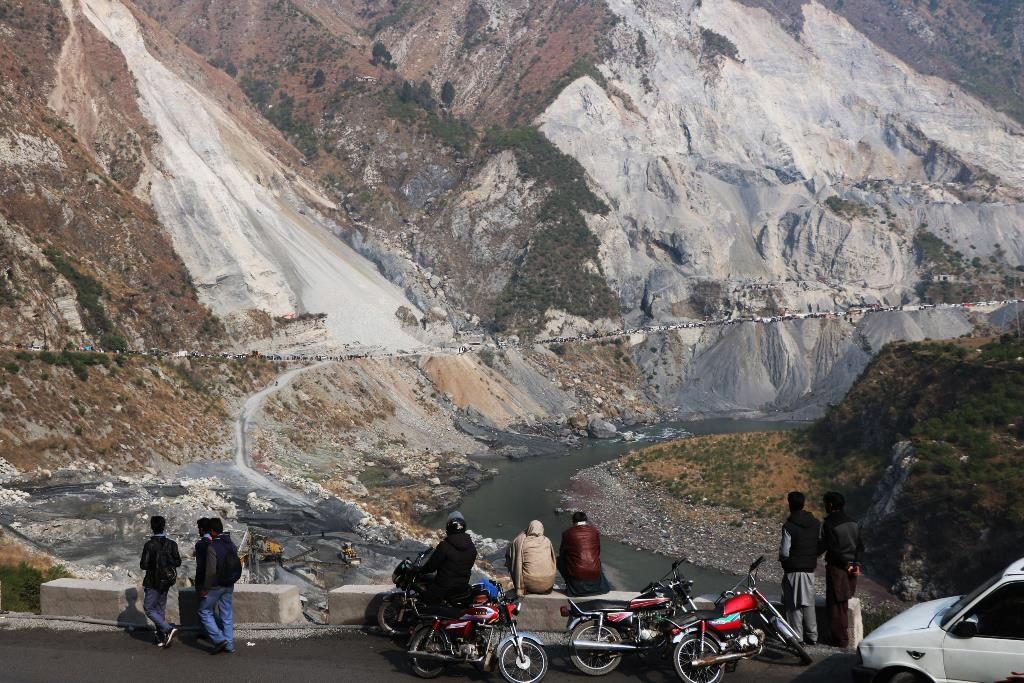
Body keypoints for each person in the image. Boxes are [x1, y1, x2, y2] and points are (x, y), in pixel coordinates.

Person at [819, 491, 864, 648]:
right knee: (844, 601)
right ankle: (841, 638)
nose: (824, 505)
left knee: (836, 605)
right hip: (852, 570)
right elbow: (860, 546)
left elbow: (832, 549)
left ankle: (840, 640)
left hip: (838, 569)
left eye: (825, 503)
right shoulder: (853, 522)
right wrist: (855, 565)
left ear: (830, 505)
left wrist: (846, 565)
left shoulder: (829, 524)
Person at [778, 491, 820, 645]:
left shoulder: (789, 526)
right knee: (808, 603)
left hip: (793, 570)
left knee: (794, 606)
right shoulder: (815, 523)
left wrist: (785, 561)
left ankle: (797, 638)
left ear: (790, 505)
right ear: (803, 504)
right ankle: (813, 636)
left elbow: (784, 552)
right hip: (809, 569)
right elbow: (819, 544)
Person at [196, 518, 242, 654]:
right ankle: (229, 645)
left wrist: (205, 588)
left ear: (211, 531)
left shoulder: (212, 547)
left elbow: (210, 571)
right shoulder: (231, 544)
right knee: (226, 614)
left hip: (216, 586)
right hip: (229, 583)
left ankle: (219, 639)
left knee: (204, 611)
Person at [419, 511, 478, 606]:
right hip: (462, 587)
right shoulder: (472, 548)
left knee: (424, 603)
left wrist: (419, 570)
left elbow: (431, 567)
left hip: (443, 587)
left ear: (448, 527)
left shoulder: (444, 546)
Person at [140, 515, 181, 648]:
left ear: (152, 527)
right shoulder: (172, 544)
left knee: (148, 608)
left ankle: (168, 629)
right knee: (160, 608)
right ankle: (161, 637)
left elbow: (143, 565)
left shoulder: (149, 545)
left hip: (153, 581)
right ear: (164, 526)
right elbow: (178, 562)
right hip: (167, 580)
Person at [558, 511, 609, 596]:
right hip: (594, 571)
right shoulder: (594, 532)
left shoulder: (567, 533)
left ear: (573, 522)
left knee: (559, 560)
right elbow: (598, 551)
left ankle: (571, 586)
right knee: (595, 559)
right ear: (586, 521)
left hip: (577, 574)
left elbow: (562, 553)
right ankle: (595, 586)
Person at [505, 520, 556, 595]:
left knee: (515, 559)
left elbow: (509, 555)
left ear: (529, 528)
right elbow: (553, 559)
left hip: (530, 585)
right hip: (547, 584)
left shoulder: (520, 541)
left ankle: (521, 587)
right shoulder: (547, 541)